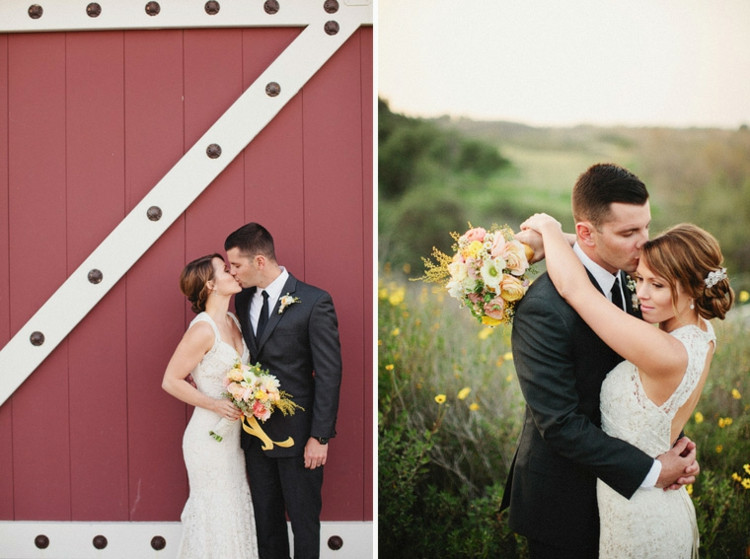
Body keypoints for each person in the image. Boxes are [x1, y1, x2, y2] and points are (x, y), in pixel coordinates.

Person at [500, 163, 700, 559]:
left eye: (646, 226)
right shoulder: (543, 308)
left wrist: (668, 441)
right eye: (629, 233)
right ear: (586, 234)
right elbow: (559, 424)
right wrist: (655, 470)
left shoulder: (638, 282)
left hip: (629, 501)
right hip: (565, 504)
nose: (645, 243)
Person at [521, 214, 733, 558]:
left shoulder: (664, 350)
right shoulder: (699, 333)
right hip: (645, 501)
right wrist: (570, 240)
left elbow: (575, 289)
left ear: (694, 287)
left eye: (658, 285)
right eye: (640, 280)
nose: (642, 295)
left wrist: (548, 229)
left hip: (641, 515)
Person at [225, 222, 342, 559]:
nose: (233, 273)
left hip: (299, 436)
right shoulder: (243, 300)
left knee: (304, 523)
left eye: (236, 265)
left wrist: (320, 437)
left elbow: (329, 374)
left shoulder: (314, 301)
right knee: (267, 524)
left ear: (259, 261)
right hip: (255, 435)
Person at [162, 254, 259, 559]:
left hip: (232, 438)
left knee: (233, 507)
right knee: (215, 511)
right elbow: (171, 380)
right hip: (207, 438)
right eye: (225, 270)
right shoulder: (202, 330)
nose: (233, 273)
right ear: (210, 284)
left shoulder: (232, 321)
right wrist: (215, 404)